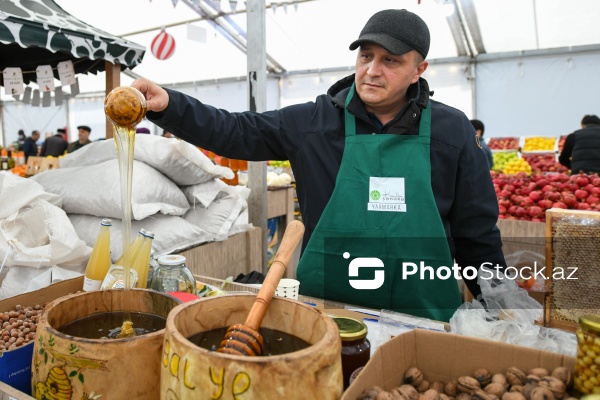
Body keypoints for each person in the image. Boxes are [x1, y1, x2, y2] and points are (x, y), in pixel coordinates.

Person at [131, 9, 506, 321]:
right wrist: (171, 105)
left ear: (418, 69)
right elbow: (236, 131)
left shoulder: (451, 130)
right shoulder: (314, 122)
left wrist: (499, 309)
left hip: (424, 316)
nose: (373, 70)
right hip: (329, 311)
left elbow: (476, 232)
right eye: (366, 56)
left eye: (391, 61)